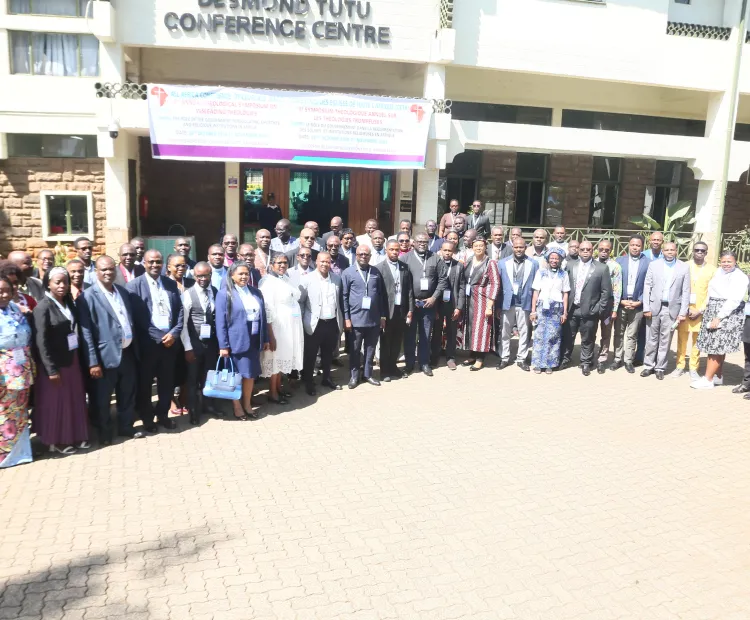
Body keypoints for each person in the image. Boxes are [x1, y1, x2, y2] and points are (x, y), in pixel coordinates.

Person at [78, 256, 142, 444]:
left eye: (110, 269)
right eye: (103, 269)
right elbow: (86, 333)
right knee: (102, 399)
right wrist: (92, 362)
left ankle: (126, 427)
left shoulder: (122, 292)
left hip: (128, 353)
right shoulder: (87, 297)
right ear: (96, 271)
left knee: (127, 393)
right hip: (104, 357)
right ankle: (104, 432)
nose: (107, 273)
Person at [33, 267, 90, 454]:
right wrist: (51, 370)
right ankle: (56, 440)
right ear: (48, 283)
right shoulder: (42, 307)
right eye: (57, 282)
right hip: (55, 364)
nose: (62, 285)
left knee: (73, 399)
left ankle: (74, 434)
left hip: (72, 359)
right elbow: (41, 341)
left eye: (65, 281)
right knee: (57, 403)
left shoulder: (68, 303)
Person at [127, 250, 184, 432]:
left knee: (167, 383)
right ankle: (147, 419)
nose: (154, 265)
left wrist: (174, 334)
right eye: (150, 262)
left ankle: (163, 416)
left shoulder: (170, 283)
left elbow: (180, 311)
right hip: (148, 346)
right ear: (143, 263)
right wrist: (160, 337)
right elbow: (139, 318)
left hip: (170, 343)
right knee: (145, 385)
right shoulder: (134, 286)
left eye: (158, 262)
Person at [216, 261, 270, 418]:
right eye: (240, 274)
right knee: (236, 375)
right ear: (232, 276)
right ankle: (237, 405)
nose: (244, 276)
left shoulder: (255, 292)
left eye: (246, 273)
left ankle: (247, 404)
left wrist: (265, 338)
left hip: (253, 340)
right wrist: (223, 345)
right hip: (235, 342)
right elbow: (220, 323)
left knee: (250, 374)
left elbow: (263, 316)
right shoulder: (224, 294)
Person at [691, 250, 748, 390]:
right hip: (713, 309)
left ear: (735, 262)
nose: (726, 264)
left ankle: (708, 379)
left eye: (729, 261)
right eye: (724, 261)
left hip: (727, 313)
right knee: (714, 345)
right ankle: (718, 376)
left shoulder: (740, 277)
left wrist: (719, 316)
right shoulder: (718, 272)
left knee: (717, 346)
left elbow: (734, 299)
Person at [561, 241, 612, 376]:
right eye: (582, 249)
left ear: (592, 250)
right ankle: (565, 358)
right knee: (568, 336)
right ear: (578, 250)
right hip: (572, 308)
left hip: (590, 310)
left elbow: (606, 292)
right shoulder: (570, 265)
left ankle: (585, 362)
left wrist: (598, 309)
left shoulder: (601, 268)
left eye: (588, 249)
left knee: (588, 338)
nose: (585, 251)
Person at [641, 241, 690, 380]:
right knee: (651, 338)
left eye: (672, 250)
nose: (669, 252)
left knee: (665, 340)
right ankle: (648, 366)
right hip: (654, 307)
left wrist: (682, 312)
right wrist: (646, 308)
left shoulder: (684, 267)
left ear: (676, 251)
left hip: (672, 309)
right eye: (667, 250)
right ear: (663, 251)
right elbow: (647, 287)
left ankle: (660, 367)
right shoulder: (654, 265)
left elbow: (686, 291)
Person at [258, 254, 303, 405]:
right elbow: (267, 310)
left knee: (282, 358)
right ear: (271, 265)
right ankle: (272, 393)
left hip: (288, 327)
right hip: (277, 328)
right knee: (275, 359)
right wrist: (270, 335)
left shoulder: (285, 278)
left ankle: (278, 388)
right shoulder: (267, 282)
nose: (283, 265)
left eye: (285, 262)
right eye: (279, 263)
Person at [400, 233, 447, 376]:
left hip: (429, 305)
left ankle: (424, 363)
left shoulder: (436, 258)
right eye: (419, 241)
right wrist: (407, 303)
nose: (422, 243)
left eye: (425, 241)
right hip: (411, 305)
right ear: (413, 242)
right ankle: (409, 364)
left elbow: (443, 280)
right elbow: (401, 282)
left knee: (426, 335)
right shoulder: (405, 258)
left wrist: (434, 298)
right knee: (409, 336)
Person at [0, 276, 34, 468]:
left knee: (19, 413)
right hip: (3, 374)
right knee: (3, 414)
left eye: (7, 290)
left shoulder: (15, 309)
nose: (4, 294)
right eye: (0, 291)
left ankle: (19, 454)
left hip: (21, 370)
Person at [179, 261, 219, 425]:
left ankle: (208, 406)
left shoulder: (214, 292)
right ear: (194, 276)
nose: (203, 278)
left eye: (206, 275)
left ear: (210, 275)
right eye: (199, 276)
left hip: (211, 345)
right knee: (192, 379)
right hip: (194, 345)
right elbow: (183, 325)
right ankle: (193, 411)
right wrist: (188, 348)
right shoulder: (187, 294)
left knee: (208, 377)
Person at [299, 253, 344, 395]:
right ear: (316, 262)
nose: (325, 264)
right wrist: (301, 322)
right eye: (322, 261)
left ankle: (326, 378)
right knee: (311, 355)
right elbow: (301, 302)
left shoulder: (337, 279)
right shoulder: (307, 279)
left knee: (327, 354)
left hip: (331, 323)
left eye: (328, 261)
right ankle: (308, 382)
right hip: (314, 324)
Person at [342, 245, 386, 388]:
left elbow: (381, 295)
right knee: (355, 351)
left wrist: (382, 317)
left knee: (370, 349)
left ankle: (368, 374)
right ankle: (354, 376)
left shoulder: (375, 272)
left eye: (366, 254)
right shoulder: (348, 273)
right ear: (356, 255)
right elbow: (344, 297)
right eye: (360, 254)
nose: (363, 256)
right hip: (355, 320)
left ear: (370, 256)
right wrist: (347, 318)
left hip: (373, 319)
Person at [674, 242, 715, 380]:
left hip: (700, 312)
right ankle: (680, 366)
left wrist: (700, 310)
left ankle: (693, 368)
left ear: (706, 253)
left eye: (702, 250)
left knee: (697, 343)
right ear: (692, 251)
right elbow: (678, 289)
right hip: (685, 311)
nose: (699, 252)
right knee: (681, 340)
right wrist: (686, 308)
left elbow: (712, 293)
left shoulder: (712, 270)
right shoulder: (684, 266)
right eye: (697, 250)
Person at [497, 238, 539, 370]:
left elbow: (536, 286)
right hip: (507, 302)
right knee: (504, 331)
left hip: (524, 302)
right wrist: (498, 305)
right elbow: (498, 286)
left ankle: (521, 358)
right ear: (512, 247)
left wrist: (534, 307)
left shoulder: (534, 263)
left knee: (525, 331)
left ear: (525, 247)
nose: (518, 249)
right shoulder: (503, 263)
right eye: (516, 247)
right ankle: (504, 357)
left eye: (521, 247)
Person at [375, 240, 414, 381]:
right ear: (386, 250)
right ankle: (384, 371)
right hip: (386, 312)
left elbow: (409, 290)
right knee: (386, 342)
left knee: (397, 341)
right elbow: (377, 293)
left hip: (401, 310)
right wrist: (381, 315)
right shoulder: (379, 268)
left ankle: (393, 367)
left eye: (397, 250)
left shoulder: (404, 267)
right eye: (391, 249)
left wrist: (410, 309)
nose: (395, 252)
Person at [611, 235, 650, 373]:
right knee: (618, 333)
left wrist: (639, 301)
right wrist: (620, 300)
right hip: (621, 303)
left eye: (638, 245)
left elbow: (649, 285)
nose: (635, 247)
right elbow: (614, 283)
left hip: (637, 305)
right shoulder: (619, 261)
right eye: (633, 245)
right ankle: (617, 359)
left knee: (632, 335)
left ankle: (628, 360)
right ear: (629, 245)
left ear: (642, 247)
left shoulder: (648, 262)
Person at [530, 248, 570, 374]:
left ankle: (549, 364)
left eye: (556, 258)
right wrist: (533, 311)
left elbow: (565, 294)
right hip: (542, 307)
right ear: (548, 259)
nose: (554, 260)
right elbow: (536, 292)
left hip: (557, 309)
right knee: (539, 336)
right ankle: (537, 363)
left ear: (560, 260)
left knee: (553, 336)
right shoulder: (541, 272)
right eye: (551, 258)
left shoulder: (564, 274)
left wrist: (564, 312)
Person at [461, 238, 500, 371]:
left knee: (481, 327)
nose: (478, 248)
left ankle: (480, 358)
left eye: (481, 246)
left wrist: (490, 305)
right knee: (471, 326)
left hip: (483, 299)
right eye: (476, 246)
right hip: (469, 298)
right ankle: (472, 354)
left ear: (485, 247)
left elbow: (495, 284)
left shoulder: (490, 263)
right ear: (472, 247)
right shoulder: (469, 261)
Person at [166, 253, 194, 415]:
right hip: (170, 334)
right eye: (177, 265)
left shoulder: (191, 283)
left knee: (187, 367)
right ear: (169, 267)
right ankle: (170, 400)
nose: (181, 268)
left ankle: (184, 398)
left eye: (183, 265)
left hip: (188, 334)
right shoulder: (163, 284)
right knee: (169, 369)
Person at [432, 241, 465, 370]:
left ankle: (450, 357)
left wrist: (459, 307)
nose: (447, 253)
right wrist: (433, 307)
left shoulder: (458, 266)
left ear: (453, 252)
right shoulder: (435, 264)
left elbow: (462, 287)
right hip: (438, 304)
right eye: (444, 250)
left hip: (452, 304)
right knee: (436, 331)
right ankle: (434, 356)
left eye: (449, 251)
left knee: (452, 332)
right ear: (440, 250)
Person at [595, 240, 622, 373]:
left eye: (607, 250)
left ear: (610, 251)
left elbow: (617, 289)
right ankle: (587, 358)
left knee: (606, 334)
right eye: (601, 249)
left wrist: (615, 309)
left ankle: (602, 359)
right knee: (590, 332)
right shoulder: (592, 264)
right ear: (597, 250)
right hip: (593, 305)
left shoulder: (615, 266)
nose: (604, 252)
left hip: (608, 307)